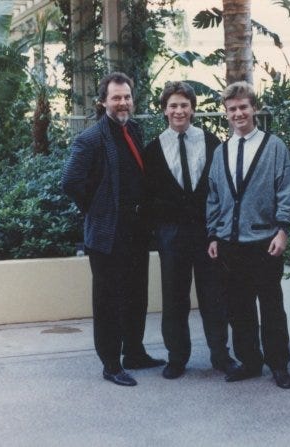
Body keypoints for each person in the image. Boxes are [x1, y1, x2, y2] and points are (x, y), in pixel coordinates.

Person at [62, 72, 165, 387]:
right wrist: (96, 208)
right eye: (116, 97)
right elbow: (70, 182)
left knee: (136, 295)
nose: (123, 102)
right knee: (108, 301)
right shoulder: (90, 138)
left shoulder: (133, 128)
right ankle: (111, 363)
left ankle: (134, 352)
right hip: (108, 235)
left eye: (127, 97)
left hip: (135, 231)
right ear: (103, 102)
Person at [206, 81, 290, 389]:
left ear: (254, 108)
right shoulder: (221, 152)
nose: (238, 113)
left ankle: (279, 365)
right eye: (232, 109)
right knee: (239, 307)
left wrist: (283, 230)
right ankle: (250, 361)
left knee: (271, 306)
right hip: (231, 244)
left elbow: (286, 191)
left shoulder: (274, 147)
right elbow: (215, 198)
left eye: (243, 107)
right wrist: (213, 235)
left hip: (265, 242)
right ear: (226, 113)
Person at [144, 81, 237, 379]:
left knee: (214, 295)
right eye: (173, 105)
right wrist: (159, 229)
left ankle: (221, 356)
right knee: (174, 297)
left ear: (193, 109)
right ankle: (177, 357)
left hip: (206, 233)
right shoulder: (153, 149)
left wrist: (217, 230)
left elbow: (221, 188)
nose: (179, 110)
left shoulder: (211, 142)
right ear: (164, 111)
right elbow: (148, 196)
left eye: (184, 105)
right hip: (171, 235)